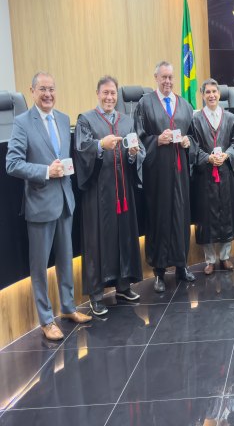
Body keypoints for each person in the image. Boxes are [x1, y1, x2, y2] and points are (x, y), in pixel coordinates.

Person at [6, 72, 91, 340]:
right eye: (42, 89)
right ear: (32, 91)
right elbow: (12, 164)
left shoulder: (64, 119)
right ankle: (46, 319)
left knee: (66, 259)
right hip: (40, 204)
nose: (48, 94)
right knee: (40, 267)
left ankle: (68, 307)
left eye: (51, 89)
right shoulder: (22, 122)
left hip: (65, 201)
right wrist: (46, 171)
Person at [75, 76, 145, 315]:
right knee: (97, 242)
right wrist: (99, 146)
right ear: (97, 93)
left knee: (124, 236)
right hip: (98, 194)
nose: (109, 97)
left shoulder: (127, 121)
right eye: (105, 93)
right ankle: (96, 295)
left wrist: (134, 154)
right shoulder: (86, 120)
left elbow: (138, 151)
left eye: (113, 93)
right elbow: (81, 149)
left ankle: (123, 286)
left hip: (123, 192)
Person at [135, 61, 195, 293]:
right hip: (157, 174)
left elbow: (193, 136)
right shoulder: (144, 104)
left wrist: (189, 142)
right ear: (156, 78)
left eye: (170, 77)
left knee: (181, 216)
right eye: (164, 77)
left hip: (180, 174)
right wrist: (156, 140)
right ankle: (159, 271)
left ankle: (181, 265)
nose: (168, 81)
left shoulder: (185, 105)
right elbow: (138, 138)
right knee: (159, 218)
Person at [191, 79, 234, 273]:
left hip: (225, 172)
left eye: (214, 92)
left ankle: (225, 257)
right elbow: (193, 147)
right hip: (205, 175)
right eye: (208, 92)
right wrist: (208, 158)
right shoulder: (196, 119)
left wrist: (226, 155)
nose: (212, 95)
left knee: (226, 214)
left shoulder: (229, 118)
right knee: (207, 216)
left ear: (219, 94)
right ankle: (210, 259)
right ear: (203, 95)